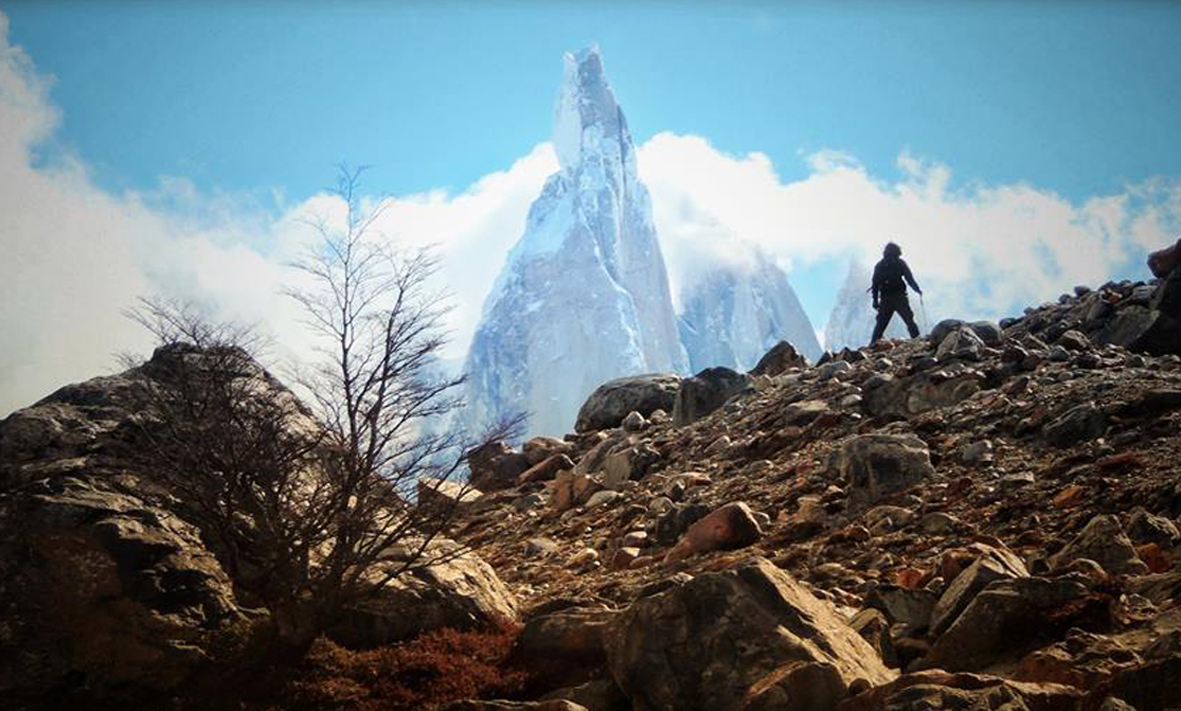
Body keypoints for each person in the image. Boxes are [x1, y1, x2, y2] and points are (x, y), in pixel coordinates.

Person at [870, 241, 922, 344]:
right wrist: (917, 289)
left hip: (885, 299)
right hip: (900, 297)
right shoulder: (900, 263)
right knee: (909, 320)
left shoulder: (880, 265)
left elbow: (875, 284)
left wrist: (875, 301)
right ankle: (917, 340)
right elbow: (909, 278)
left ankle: (873, 344)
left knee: (880, 324)